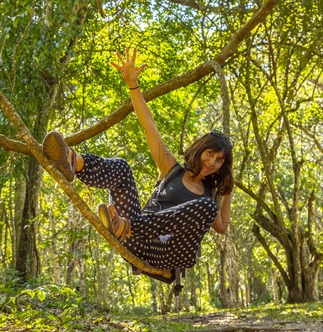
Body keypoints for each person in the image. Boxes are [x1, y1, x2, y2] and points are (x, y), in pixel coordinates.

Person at [42, 48, 233, 281]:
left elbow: (221, 226)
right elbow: (149, 125)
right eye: (210, 153)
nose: (213, 161)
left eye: (220, 160)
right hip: (136, 239)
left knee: (208, 207)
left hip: (169, 256)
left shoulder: (209, 195)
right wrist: (133, 84)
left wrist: (227, 189)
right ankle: (74, 161)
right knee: (122, 168)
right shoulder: (171, 170)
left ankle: (127, 226)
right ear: (200, 149)